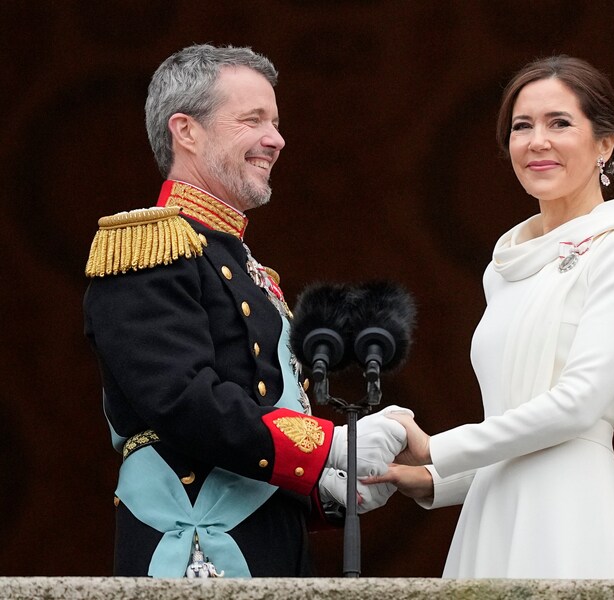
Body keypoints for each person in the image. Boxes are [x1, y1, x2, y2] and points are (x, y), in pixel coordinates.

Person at [368, 56, 614, 580]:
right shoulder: (506, 264)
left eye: (560, 123)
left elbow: (577, 408)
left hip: (571, 514)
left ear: (606, 145)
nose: (537, 141)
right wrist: (436, 479)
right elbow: (515, 426)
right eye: (521, 127)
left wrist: (437, 447)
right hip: (490, 513)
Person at [83, 44, 408, 578]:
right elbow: (183, 401)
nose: (276, 139)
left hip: (271, 552)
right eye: (252, 119)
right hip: (196, 555)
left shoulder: (244, 265)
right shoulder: (147, 248)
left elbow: (254, 438)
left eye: (276, 121)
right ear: (186, 130)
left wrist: (323, 490)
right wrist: (329, 446)